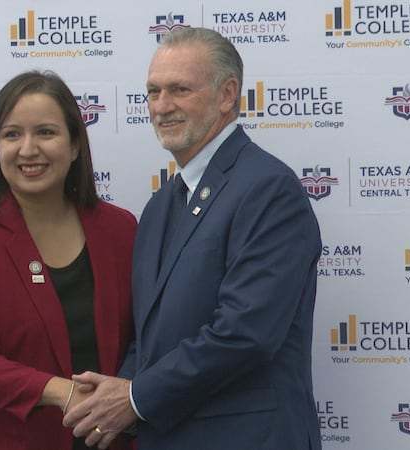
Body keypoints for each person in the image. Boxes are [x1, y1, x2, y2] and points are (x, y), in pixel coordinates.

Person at [63, 27, 323, 450]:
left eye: (179, 89)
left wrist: (133, 398)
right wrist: (115, 393)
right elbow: (149, 340)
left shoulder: (269, 190)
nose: (162, 107)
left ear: (227, 95)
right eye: (153, 92)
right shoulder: (159, 206)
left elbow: (244, 334)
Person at [0, 70, 137, 450]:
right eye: (12, 135)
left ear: (74, 145)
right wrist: (64, 392)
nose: (28, 149)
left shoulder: (121, 230)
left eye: (45, 132)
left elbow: (145, 338)